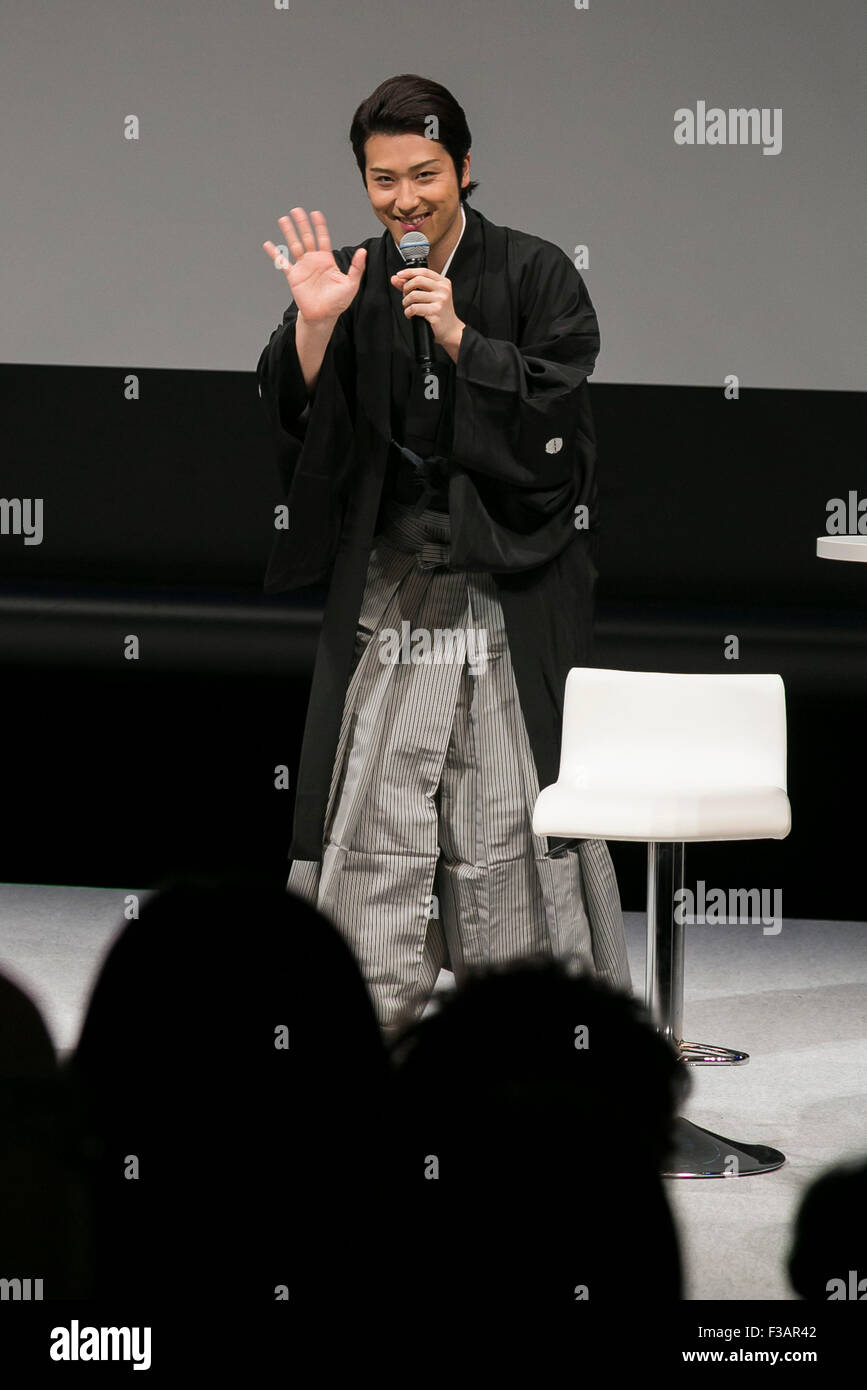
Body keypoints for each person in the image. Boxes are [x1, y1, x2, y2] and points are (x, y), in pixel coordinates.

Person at [258, 73, 631, 1037]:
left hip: (507, 587)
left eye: (424, 173)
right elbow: (307, 431)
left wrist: (461, 336)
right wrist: (314, 325)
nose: (405, 199)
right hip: (394, 593)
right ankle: (363, 1038)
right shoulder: (350, 277)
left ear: (464, 168)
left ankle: (529, 1044)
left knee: (511, 821)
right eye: (383, 181)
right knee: (377, 822)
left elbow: (558, 423)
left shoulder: (536, 271)